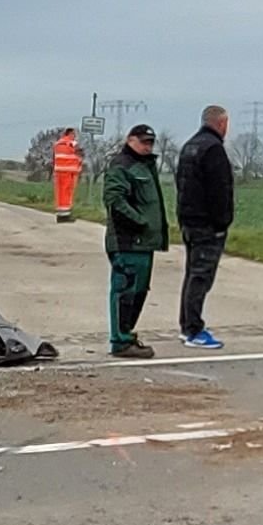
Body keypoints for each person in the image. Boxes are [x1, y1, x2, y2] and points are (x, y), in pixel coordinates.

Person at [103, 121, 168, 357]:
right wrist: (139, 221)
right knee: (125, 291)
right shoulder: (122, 166)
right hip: (127, 241)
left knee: (139, 292)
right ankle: (120, 341)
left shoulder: (145, 166)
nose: (147, 147)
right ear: (130, 141)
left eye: (150, 142)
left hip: (145, 243)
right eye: (143, 142)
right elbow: (114, 200)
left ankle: (127, 335)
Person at [173, 105, 235, 348]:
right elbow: (220, 190)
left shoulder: (190, 146)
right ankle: (193, 329)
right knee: (201, 277)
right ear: (221, 123)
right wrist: (222, 223)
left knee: (192, 274)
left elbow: (182, 184)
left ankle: (186, 324)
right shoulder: (213, 149)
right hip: (208, 225)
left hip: (189, 220)